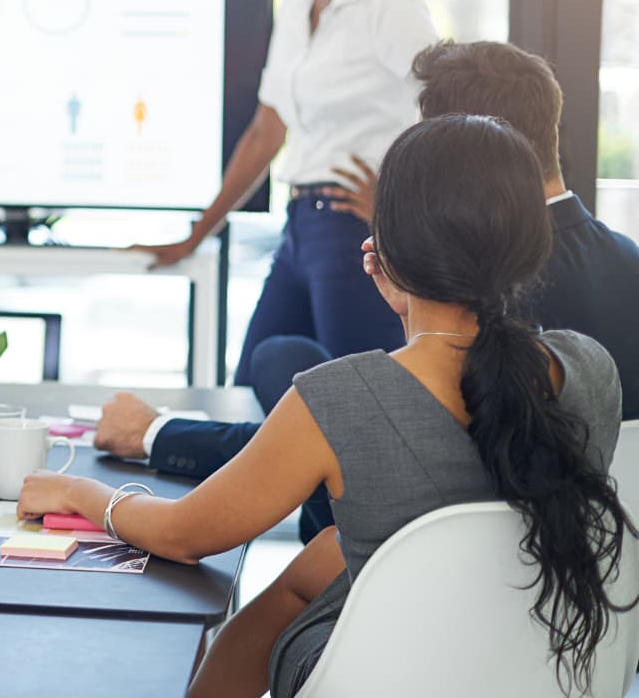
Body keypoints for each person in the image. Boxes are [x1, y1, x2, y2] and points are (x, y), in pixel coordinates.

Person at [22, 114, 630, 698]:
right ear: (532, 241)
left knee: (324, 560)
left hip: (391, 676)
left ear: (386, 248)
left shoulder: (341, 398)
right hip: (540, 663)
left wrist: (79, 492)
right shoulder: (589, 369)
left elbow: (183, 536)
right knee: (326, 554)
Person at [96, 40, 639, 542]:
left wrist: (157, 433)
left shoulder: (486, 282)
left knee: (293, 370)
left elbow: (361, 434)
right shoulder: (622, 272)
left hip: (421, 538)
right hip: (589, 549)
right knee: (285, 357)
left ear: (463, 150)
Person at [137, 0, 438, 389]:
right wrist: (198, 233)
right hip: (299, 227)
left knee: (362, 408)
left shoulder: (390, 4)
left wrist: (400, 208)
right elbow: (266, 129)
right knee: (253, 388)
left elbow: (454, 116)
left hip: (359, 235)